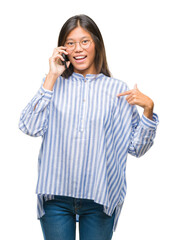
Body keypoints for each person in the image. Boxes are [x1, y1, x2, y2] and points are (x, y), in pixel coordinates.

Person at [19, 14, 159, 240]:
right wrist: (52, 76)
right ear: (63, 48)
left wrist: (148, 110)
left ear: (96, 44)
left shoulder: (117, 90)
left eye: (85, 41)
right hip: (56, 197)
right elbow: (29, 126)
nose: (78, 49)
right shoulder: (53, 85)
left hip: (99, 198)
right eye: (70, 43)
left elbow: (137, 148)